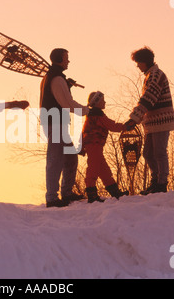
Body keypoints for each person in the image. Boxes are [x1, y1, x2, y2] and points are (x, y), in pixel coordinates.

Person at [40, 48, 89, 208]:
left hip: (56, 123)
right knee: (56, 160)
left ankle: (66, 193)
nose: (68, 61)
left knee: (70, 158)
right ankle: (52, 198)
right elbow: (67, 104)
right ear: (60, 59)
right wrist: (87, 110)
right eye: (66, 58)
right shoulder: (57, 79)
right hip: (56, 124)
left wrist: (67, 85)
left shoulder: (52, 77)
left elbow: (59, 98)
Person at [124, 47, 174, 194]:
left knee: (159, 152)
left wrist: (134, 118)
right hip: (152, 122)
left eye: (138, 62)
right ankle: (155, 180)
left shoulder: (156, 75)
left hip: (161, 121)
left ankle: (162, 183)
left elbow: (148, 99)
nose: (137, 66)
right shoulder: (150, 75)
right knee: (148, 153)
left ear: (145, 62)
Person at [81, 91, 129, 203]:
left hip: (94, 145)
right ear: (97, 103)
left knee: (103, 169)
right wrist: (126, 127)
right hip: (94, 145)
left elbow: (84, 132)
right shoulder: (98, 115)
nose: (105, 102)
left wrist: (82, 146)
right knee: (93, 168)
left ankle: (115, 191)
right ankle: (91, 193)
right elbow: (112, 126)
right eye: (102, 100)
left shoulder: (92, 115)